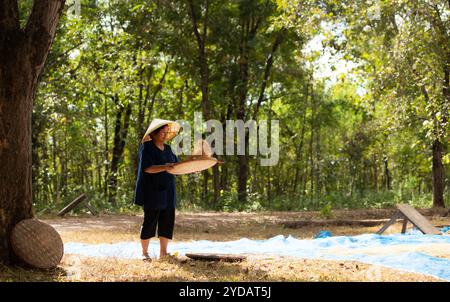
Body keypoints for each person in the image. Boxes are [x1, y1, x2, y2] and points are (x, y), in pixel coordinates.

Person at [134, 119, 181, 261]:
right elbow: (147, 168)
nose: (165, 134)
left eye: (166, 132)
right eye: (162, 131)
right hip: (152, 192)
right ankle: (144, 253)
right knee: (150, 221)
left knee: (167, 221)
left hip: (168, 191)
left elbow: (176, 166)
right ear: (153, 133)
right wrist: (165, 167)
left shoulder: (168, 149)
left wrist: (194, 162)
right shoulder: (147, 147)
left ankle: (163, 253)